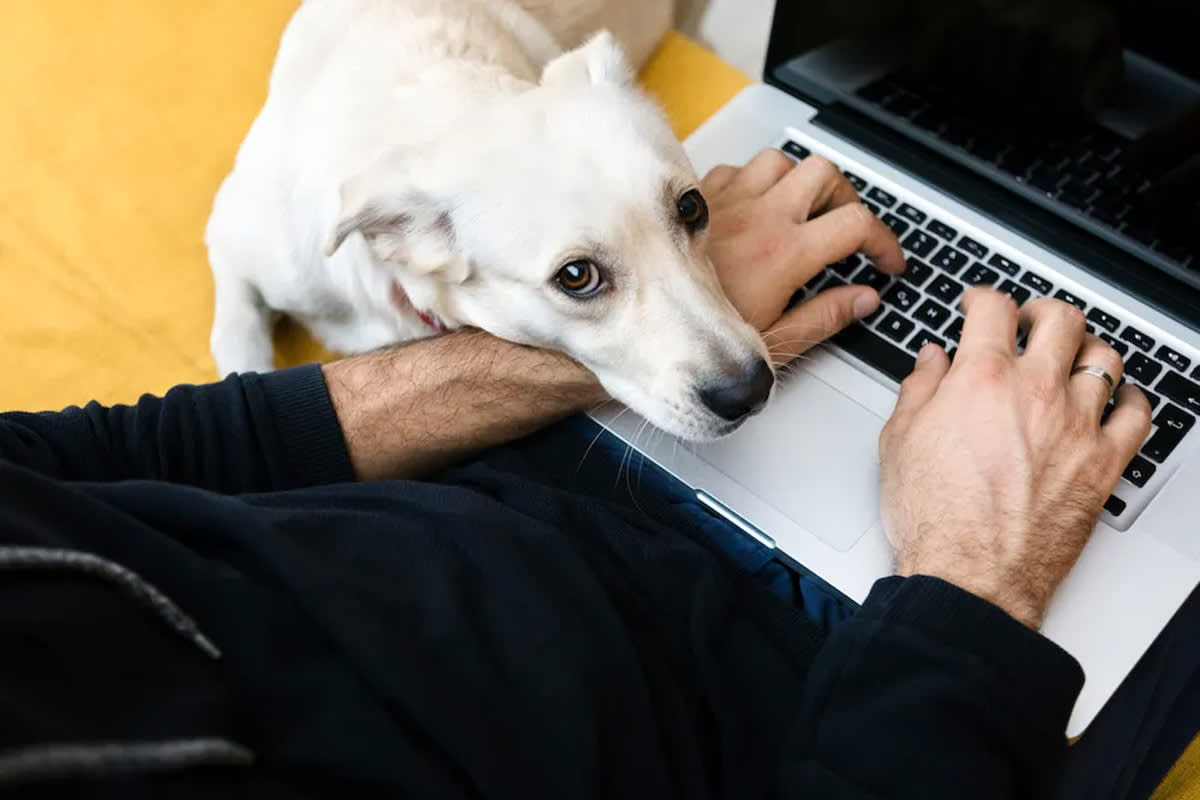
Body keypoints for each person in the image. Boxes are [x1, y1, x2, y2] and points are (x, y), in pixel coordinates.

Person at [0, 150, 1194, 799]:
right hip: (847, 720)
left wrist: (616, 330)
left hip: (534, 486)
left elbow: (144, 459)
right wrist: (977, 576)